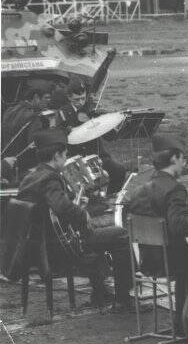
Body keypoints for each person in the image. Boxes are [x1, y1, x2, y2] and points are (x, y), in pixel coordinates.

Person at [17, 127, 131, 306]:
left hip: (37, 245)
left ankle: (101, 293)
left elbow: (50, 208)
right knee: (121, 235)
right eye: (64, 155)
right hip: (57, 248)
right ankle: (124, 299)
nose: (65, 158)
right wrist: (82, 212)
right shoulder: (50, 178)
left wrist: (75, 204)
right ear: (56, 156)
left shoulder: (30, 177)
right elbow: (61, 206)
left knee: (95, 232)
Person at [126, 134, 188, 334]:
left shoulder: (139, 189)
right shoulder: (175, 189)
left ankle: (180, 322)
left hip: (148, 260)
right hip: (172, 260)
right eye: (183, 159)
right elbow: (177, 226)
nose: (184, 164)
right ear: (174, 159)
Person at [56, 80, 126, 193]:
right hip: (78, 157)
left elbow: (109, 136)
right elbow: (62, 134)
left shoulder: (91, 110)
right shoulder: (63, 113)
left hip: (99, 156)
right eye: (76, 100)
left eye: (83, 98)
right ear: (69, 97)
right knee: (87, 185)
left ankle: (111, 197)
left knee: (119, 170)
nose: (81, 102)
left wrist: (112, 123)